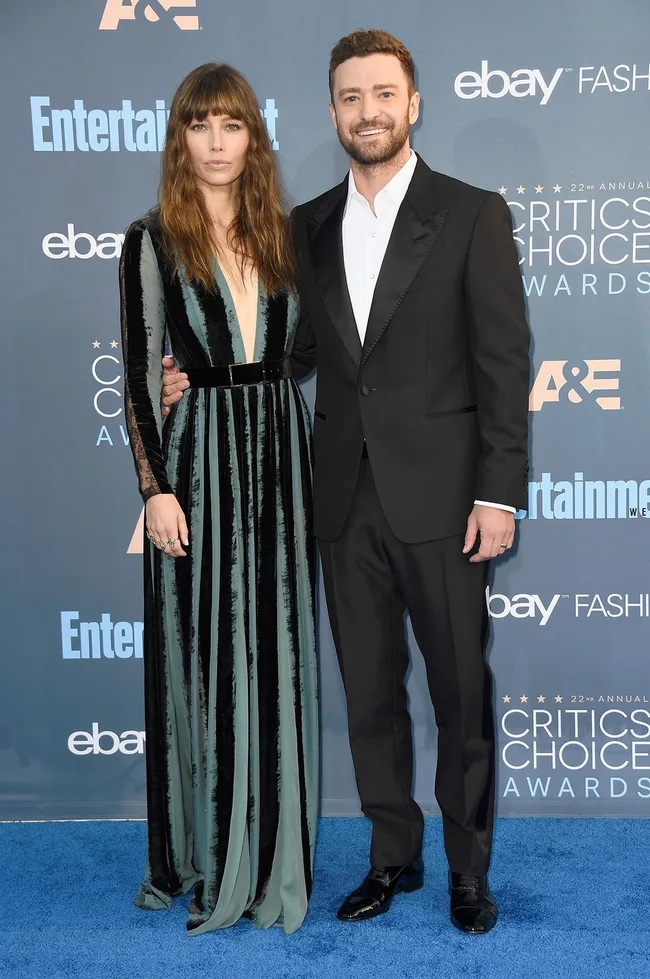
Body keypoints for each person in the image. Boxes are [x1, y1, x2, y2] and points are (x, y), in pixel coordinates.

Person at [162, 30, 530, 935]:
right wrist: (199, 373)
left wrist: (500, 491)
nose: (367, 111)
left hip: (446, 499)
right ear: (332, 113)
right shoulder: (305, 225)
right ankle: (391, 856)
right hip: (337, 497)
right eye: (350, 97)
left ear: (413, 103)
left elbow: (502, 361)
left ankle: (468, 871)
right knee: (369, 695)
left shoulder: (472, 212)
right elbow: (296, 353)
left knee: (458, 696)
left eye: (382, 94)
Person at [119, 62, 318, 936]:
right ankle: (205, 849)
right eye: (199, 126)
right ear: (180, 138)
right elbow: (136, 372)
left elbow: (308, 350)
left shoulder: (286, 235)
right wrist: (155, 487)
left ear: (252, 137)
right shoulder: (151, 238)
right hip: (197, 462)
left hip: (279, 451)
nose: (216, 143)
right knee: (205, 655)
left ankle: (273, 844)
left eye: (230, 125)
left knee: (273, 648)